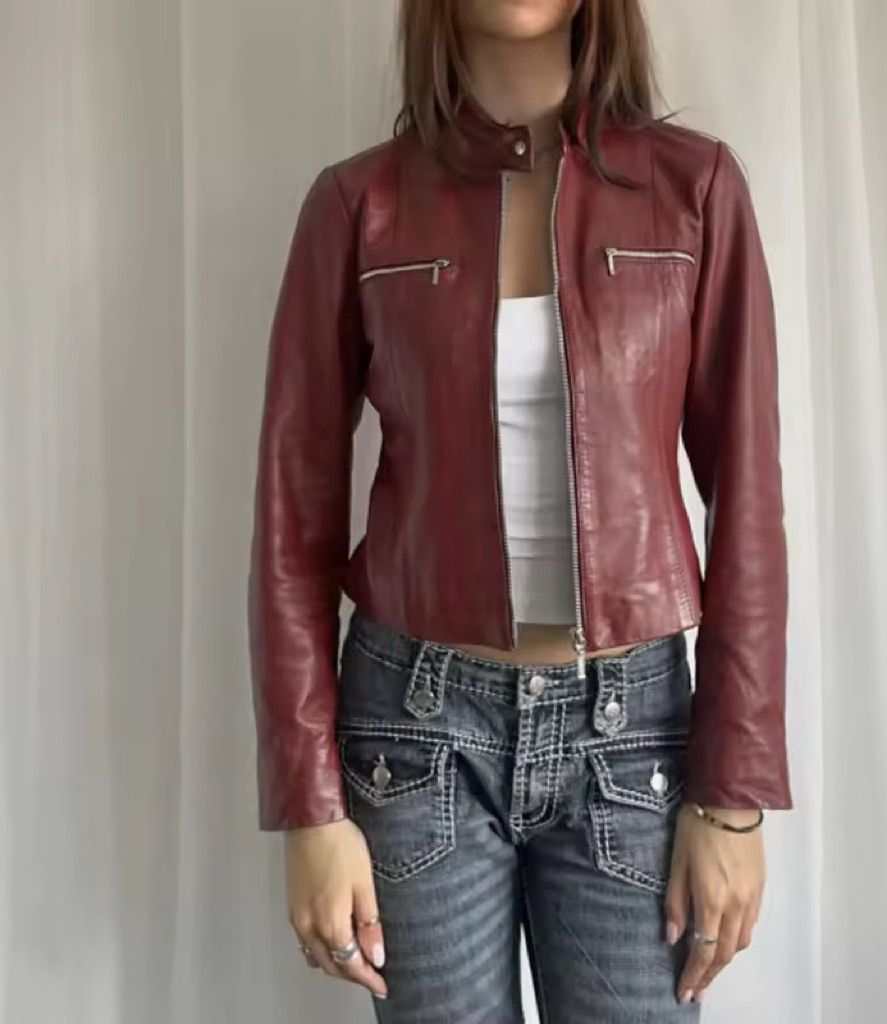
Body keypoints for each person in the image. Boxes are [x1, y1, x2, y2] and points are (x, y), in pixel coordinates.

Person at [247, 0, 792, 1020]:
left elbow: (749, 504)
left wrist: (734, 797)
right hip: (413, 735)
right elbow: (291, 524)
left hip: (634, 737)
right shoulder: (358, 204)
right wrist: (309, 806)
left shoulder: (695, 191)